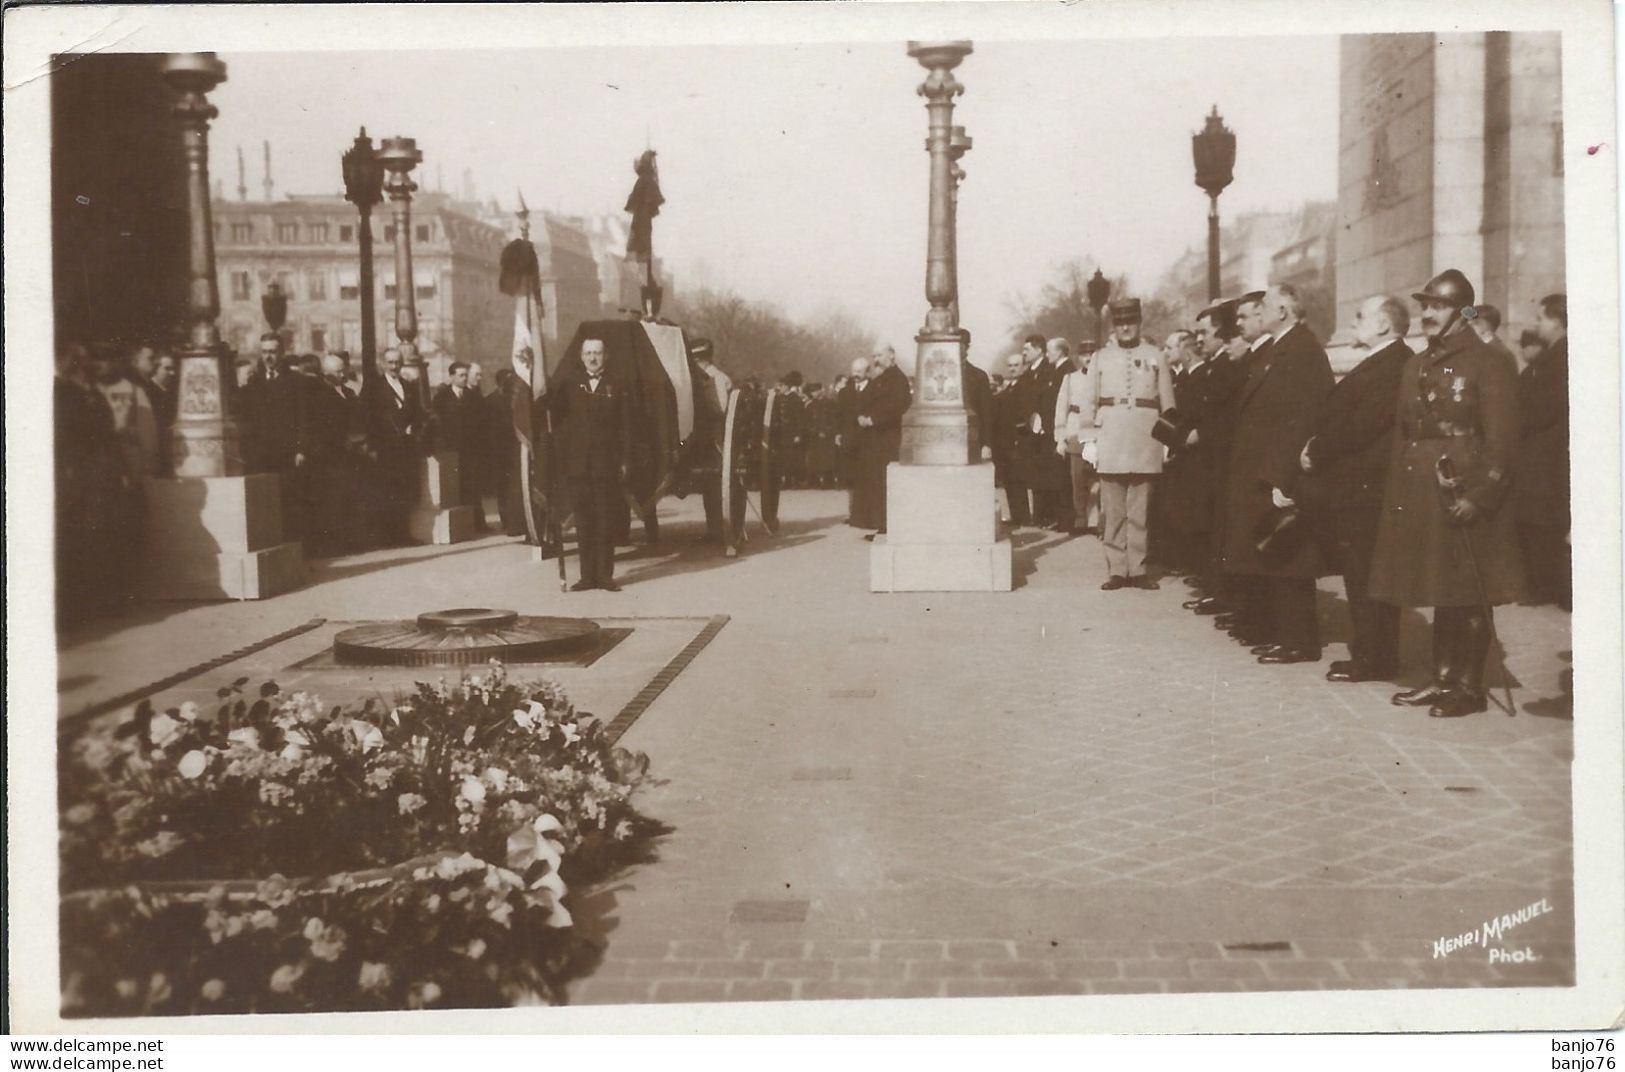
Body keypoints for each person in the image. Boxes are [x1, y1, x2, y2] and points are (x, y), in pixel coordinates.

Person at [1369, 269, 1526, 718]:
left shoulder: (1488, 361)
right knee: (1441, 587)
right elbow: (1404, 435)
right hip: (1423, 493)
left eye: (1436, 307)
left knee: (1469, 591)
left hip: (1466, 491)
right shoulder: (1415, 364)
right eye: (1424, 306)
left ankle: (1469, 687)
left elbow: (1505, 439)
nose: (1427, 315)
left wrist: (1481, 496)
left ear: (1461, 312)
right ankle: (1441, 680)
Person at [1292, 295, 1412, 683]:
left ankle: (1375, 657)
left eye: (1361, 317)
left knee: (1365, 575)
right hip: (1359, 488)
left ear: (1382, 324)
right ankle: (1372, 652)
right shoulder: (1384, 359)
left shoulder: (1395, 362)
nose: (1356, 323)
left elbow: (1363, 423)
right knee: (1361, 574)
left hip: (1368, 490)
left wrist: (1317, 449)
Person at [1217, 284, 1335, 662]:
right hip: (1264, 471)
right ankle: (1284, 633)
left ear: (1283, 310)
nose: (1260, 310)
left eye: (1265, 305)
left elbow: (1300, 420)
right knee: (1275, 554)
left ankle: (1299, 640)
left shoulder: (1300, 350)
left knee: (1289, 554)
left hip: (1280, 475)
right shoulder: (1283, 348)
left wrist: (1281, 479)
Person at [1076, 300, 1176, 589]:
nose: (1125, 327)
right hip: (1111, 438)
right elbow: (1088, 401)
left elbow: (1168, 401)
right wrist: (1088, 440)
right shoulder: (1100, 358)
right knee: (1114, 511)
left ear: (1140, 322)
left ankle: (1139, 569)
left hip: (1146, 439)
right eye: (1120, 322)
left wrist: (1168, 441)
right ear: (1114, 326)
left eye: (1130, 321)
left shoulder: (1156, 355)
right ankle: (1118, 570)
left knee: (1140, 510)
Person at [551, 334, 632, 591]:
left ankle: (605, 575)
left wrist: (625, 459)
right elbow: (553, 411)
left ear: (605, 356)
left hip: (606, 464)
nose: (593, 358)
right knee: (584, 522)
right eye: (588, 353)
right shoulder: (569, 384)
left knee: (605, 520)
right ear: (581, 356)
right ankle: (587, 576)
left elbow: (626, 427)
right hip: (578, 465)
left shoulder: (617, 384)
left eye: (597, 353)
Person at [1513, 293, 1570, 611]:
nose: (1537, 325)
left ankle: (1546, 586)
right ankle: (1542, 584)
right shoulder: (1552, 356)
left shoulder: (1561, 357)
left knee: (1542, 523)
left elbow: (1545, 406)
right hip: (1541, 453)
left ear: (1557, 322)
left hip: (1546, 454)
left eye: (1541, 319)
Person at [362, 346, 425, 546]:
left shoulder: (408, 386)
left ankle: (403, 534)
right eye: (390, 362)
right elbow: (367, 418)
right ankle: (387, 536)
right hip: (385, 448)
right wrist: (372, 445)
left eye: (397, 362)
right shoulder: (373, 387)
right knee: (387, 491)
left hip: (405, 447)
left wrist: (414, 427)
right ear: (383, 364)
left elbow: (417, 413)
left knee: (404, 490)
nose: (394, 366)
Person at [301, 354, 362, 556]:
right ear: (326, 373)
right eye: (338, 371)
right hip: (330, 454)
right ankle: (332, 544)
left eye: (343, 369)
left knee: (347, 497)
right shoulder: (319, 393)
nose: (342, 373)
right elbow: (320, 425)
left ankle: (348, 540)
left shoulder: (348, 391)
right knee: (331, 499)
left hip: (349, 453)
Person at [853, 344, 912, 538]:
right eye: (873, 356)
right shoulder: (882, 379)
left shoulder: (898, 380)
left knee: (885, 483)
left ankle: (888, 526)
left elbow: (897, 408)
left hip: (888, 440)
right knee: (876, 484)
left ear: (891, 356)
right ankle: (881, 525)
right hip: (875, 440)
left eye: (878, 355)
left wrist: (873, 419)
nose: (875, 360)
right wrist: (862, 415)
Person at [432, 360, 489, 533]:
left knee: (473, 486)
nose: (465, 379)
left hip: (471, 449)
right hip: (451, 450)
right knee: (454, 487)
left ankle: (478, 523)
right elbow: (438, 422)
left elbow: (481, 422)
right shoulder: (442, 398)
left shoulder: (474, 396)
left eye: (466, 375)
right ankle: (458, 526)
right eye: (461, 375)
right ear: (451, 377)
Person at [1051, 340, 1097, 535]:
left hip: (1097, 431)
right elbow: (1061, 408)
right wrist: (1060, 437)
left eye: (1092, 354)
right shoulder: (1070, 379)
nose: (1088, 358)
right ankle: (1080, 520)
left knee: (1096, 478)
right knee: (1077, 478)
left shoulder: (1104, 378)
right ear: (1078, 357)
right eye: (1084, 355)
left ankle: (1095, 520)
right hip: (1075, 429)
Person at [992, 348, 1037, 526]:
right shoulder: (1011, 386)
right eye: (1010, 366)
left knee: (1018, 480)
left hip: (1019, 438)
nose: (1012, 369)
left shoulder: (1025, 385)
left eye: (1016, 365)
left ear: (1024, 366)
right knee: (1011, 479)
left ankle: (1023, 517)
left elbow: (1024, 412)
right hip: (1007, 439)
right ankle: (1017, 516)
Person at [835, 357, 868, 513]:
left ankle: (864, 511)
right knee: (850, 476)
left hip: (867, 439)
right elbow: (839, 415)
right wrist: (838, 433)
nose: (856, 374)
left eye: (860, 371)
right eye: (854, 371)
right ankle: (853, 511)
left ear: (867, 372)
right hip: (849, 439)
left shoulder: (874, 389)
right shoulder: (844, 392)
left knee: (865, 476)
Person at [958, 329, 993, 463]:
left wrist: (986, 444)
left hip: (971, 441)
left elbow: (986, 413)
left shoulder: (978, 376)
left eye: (959, 345)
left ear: (966, 348)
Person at [1468, 303, 1519, 375]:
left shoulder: (1498, 353)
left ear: (1484, 325)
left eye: (1471, 325)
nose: (1467, 329)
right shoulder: (1482, 349)